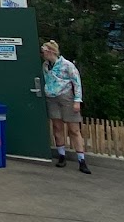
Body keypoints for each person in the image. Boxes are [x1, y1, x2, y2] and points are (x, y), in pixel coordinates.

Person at [41, 40, 91, 174]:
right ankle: (61, 155)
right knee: (57, 126)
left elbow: (76, 82)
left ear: (50, 51)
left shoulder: (67, 65)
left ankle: (81, 159)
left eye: (44, 51)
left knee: (74, 129)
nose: (43, 54)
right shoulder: (45, 65)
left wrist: (77, 100)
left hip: (66, 96)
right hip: (52, 97)